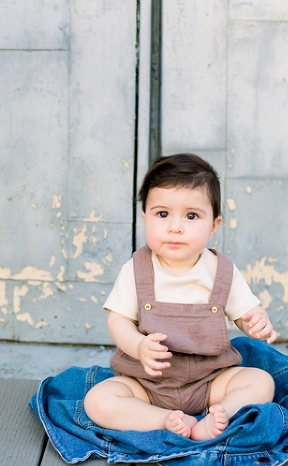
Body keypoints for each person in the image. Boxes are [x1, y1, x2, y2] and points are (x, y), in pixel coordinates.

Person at [84, 154, 277, 441]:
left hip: (210, 381)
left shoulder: (221, 271)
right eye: (162, 214)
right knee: (98, 400)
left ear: (214, 225)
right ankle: (165, 420)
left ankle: (217, 415)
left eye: (191, 216)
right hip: (147, 384)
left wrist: (257, 322)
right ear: (145, 218)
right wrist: (138, 346)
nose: (175, 227)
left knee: (261, 382)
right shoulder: (137, 270)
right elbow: (118, 320)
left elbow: (245, 312)